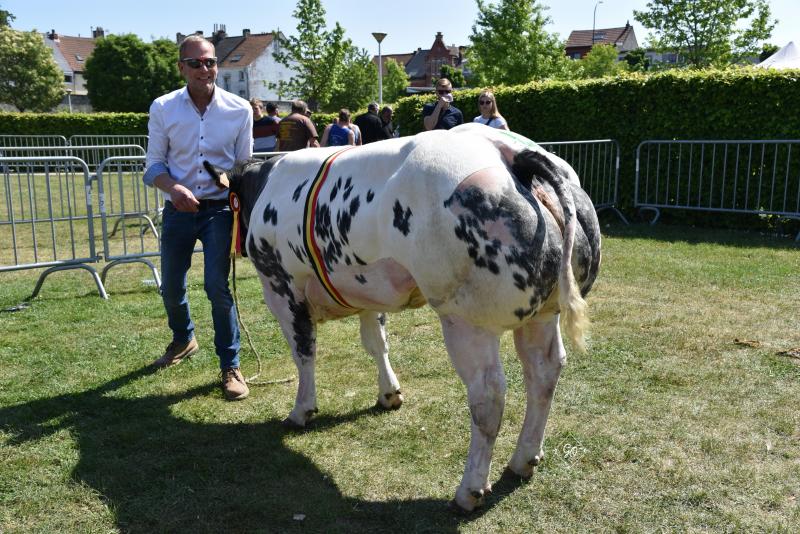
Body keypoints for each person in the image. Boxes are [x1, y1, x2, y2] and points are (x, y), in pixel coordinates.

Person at [143, 35, 252, 400]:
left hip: (219, 211)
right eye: (195, 63)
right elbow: (154, 165)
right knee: (171, 287)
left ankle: (230, 366)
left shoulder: (240, 110)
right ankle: (183, 337)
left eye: (210, 62)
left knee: (217, 289)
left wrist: (231, 180)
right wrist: (173, 189)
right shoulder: (163, 108)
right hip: (178, 210)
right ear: (181, 68)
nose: (204, 69)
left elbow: (243, 166)